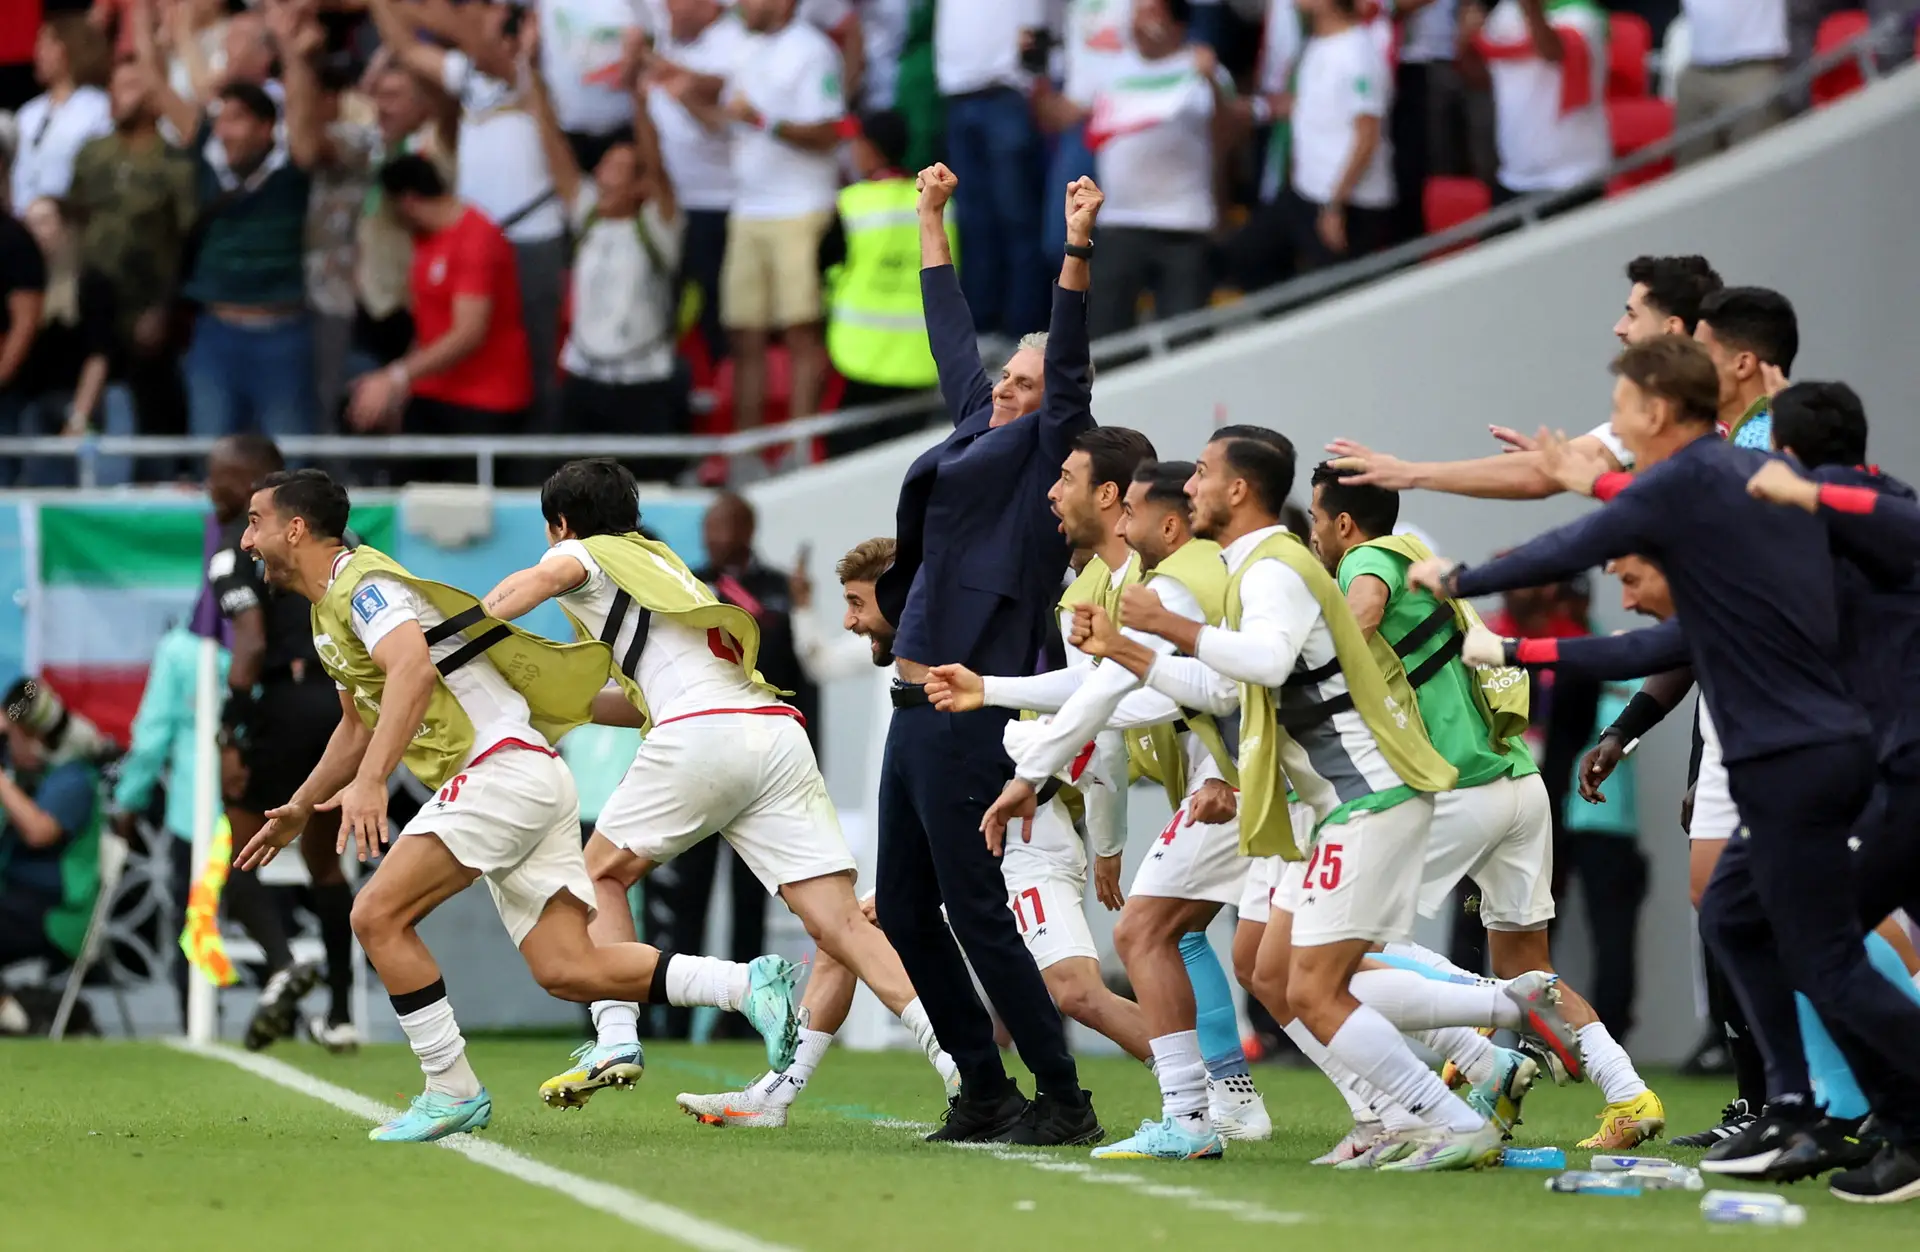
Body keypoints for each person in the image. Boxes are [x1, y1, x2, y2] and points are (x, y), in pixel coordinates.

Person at [1414, 337, 1920, 1202]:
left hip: (1816, 758)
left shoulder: (1728, 486)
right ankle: (1797, 1104)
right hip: (1808, 758)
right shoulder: (1724, 508)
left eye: (1618, 409)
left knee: (1825, 953)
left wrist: (1464, 576)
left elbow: (1590, 534)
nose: (1610, 426)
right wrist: (1521, 635)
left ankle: (1877, 1116)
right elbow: (1648, 608)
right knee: (1735, 915)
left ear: (1656, 410)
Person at [236, 467, 801, 1142]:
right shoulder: (327, 610)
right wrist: (306, 803)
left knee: (378, 914)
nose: (247, 540)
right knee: (570, 969)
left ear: (294, 528)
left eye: (254, 522)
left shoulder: (365, 586)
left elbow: (412, 672)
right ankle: (746, 986)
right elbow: (359, 720)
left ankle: (451, 1089)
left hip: (498, 771)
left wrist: (371, 783)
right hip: (527, 774)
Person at [1074, 426, 1548, 1172]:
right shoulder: (1251, 569)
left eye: (1201, 473)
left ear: (1238, 489)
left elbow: (1260, 664)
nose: (1188, 486)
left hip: (1362, 797)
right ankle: (1426, 1094)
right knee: (1283, 975)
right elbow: (1226, 687)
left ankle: (1480, 1063)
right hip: (1333, 802)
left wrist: (1168, 628)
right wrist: (1133, 650)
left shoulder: (1276, 568)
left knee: (1311, 983)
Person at [475, 459, 953, 1113]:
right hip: (771, 729)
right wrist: (546, 704)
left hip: (705, 736)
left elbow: (545, 577)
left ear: (561, 524)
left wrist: (457, 637)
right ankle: (955, 1055)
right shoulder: (662, 565)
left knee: (599, 876)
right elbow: (639, 699)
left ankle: (615, 1035)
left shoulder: (585, 554)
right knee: (841, 924)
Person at [1306, 462, 1665, 1150]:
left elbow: (1365, 610)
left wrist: (1294, 670)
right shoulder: (1418, 555)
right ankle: (1629, 1095)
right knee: (1531, 965)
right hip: (1517, 783)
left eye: (1318, 522)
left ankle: (1425, 1094)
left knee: (1330, 952)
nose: (1316, 535)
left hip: (1457, 786)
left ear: (1343, 524)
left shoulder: (1367, 559)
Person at [936, 455, 1280, 1160]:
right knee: (1232, 952)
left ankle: (1209, 1107)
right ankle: (1214, 1107)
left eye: (1063, 479)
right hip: (1244, 774)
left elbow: (1160, 693)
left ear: (1128, 503)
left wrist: (1028, 763)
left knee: (1218, 951)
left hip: (1272, 776)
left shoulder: (1186, 581)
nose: (1051, 493)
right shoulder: (1136, 581)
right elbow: (1124, 688)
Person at [872, 166, 1104, 1147]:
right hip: (909, 704)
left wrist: (1078, 246)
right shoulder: (978, 428)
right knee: (908, 911)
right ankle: (982, 1085)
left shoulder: (1047, 449)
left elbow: (1074, 366)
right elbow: (948, 332)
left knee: (973, 908)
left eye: (1023, 379)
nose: (1005, 384)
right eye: (1006, 376)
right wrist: (930, 220)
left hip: (969, 710)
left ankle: (1061, 1092)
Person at [675, 534, 964, 1127]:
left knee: (1074, 987)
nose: (851, 621)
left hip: (1007, 832)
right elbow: (822, 660)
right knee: (842, 933)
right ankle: (777, 1095)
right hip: (956, 833)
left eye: (859, 604)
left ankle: (1196, 1097)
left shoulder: (960, 659)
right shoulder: (903, 654)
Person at [928, 430, 1165, 1076]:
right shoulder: (1092, 582)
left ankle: (1212, 1092)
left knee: (1121, 965)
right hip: (1058, 795)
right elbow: (1096, 697)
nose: (1051, 495)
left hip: (1227, 777)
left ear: (1109, 494)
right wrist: (990, 694)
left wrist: (1102, 833)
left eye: (1064, 479)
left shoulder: (1154, 581)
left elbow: (1106, 711)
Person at [203, 436, 360, 1052]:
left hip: (280, 711)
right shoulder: (341, 547)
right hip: (338, 710)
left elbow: (250, 644)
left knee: (241, 858)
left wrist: (229, 732)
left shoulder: (232, 554)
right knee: (325, 866)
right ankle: (343, 1012)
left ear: (254, 481)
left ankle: (280, 965)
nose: (213, 486)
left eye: (223, 476)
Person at [1327, 254, 1724, 498]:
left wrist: (1412, 473)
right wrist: (1562, 463)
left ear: (1672, 328)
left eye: (1633, 315)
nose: (1619, 328)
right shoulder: (1662, 412)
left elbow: (1537, 478)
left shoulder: (1740, 416)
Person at [645, 491, 816, 1039]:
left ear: (747, 528)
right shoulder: (687, 585)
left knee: (751, 895)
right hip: (701, 757)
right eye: (708, 527)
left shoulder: (777, 588)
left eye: (725, 527)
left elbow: (801, 672)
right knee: (685, 893)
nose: (714, 537)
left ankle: (744, 1020)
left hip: (762, 761)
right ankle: (672, 1015)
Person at [363, 0, 567, 432]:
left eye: (490, 14)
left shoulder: (531, 75)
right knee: (461, 347)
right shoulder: (471, 75)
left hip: (529, 237)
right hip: (467, 235)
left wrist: (454, 19)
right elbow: (403, 45)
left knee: (533, 362)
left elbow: (478, 45)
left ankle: (541, 467)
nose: (477, 20)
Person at [137, 20, 316, 442]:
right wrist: (142, 14)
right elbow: (152, 78)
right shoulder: (205, 151)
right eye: (221, 120)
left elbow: (305, 114)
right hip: (215, 337)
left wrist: (290, 49)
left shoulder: (294, 169)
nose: (223, 131)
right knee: (213, 465)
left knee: (292, 472)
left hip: (282, 338)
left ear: (265, 127)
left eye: (236, 120)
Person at [526, 28, 688, 455]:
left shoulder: (657, 227)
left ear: (640, 188)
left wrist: (638, 96)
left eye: (620, 168)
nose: (605, 174)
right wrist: (532, 70)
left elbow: (657, 166)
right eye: (605, 165)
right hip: (584, 378)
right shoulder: (589, 217)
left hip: (642, 383)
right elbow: (553, 143)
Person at [720, 0, 848, 475]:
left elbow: (829, 131)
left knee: (800, 332)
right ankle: (748, 453)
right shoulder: (742, 47)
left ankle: (799, 449)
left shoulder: (812, 52)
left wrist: (763, 120)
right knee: (744, 334)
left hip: (801, 207)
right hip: (747, 208)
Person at [346, 155, 533, 456]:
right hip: (431, 394)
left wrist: (396, 377)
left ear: (405, 202)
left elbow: (468, 333)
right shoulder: (426, 241)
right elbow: (429, 326)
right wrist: (399, 387)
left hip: (482, 402)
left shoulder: (476, 239)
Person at [65, 55, 196, 475]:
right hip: (94, 301)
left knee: (150, 412)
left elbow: (187, 242)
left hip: (148, 309)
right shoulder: (92, 154)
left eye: (130, 87)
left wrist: (164, 309)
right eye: (114, 86)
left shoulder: (175, 164)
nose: (117, 97)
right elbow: (76, 216)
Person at [1085, 0, 1233, 337]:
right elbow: (1061, 116)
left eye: (1152, 14)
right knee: (1106, 343)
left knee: (1187, 344)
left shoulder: (1205, 71)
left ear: (1177, 24)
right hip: (1119, 223)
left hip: (1184, 225)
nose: (1140, 23)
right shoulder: (1111, 69)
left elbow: (1228, 136)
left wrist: (1210, 80)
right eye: (1136, 14)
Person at [110, 623, 232, 1031]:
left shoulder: (180, 649)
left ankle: (196, 1013)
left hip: (198, 817)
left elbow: (151, 738)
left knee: (196, 914)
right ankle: (290, 1006)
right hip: (262, 812)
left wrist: (129, 801)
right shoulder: (277, 635)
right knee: (264, 911)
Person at [821, 108, 949, 456]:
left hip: (861, 359)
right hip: (924, 360)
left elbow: (823, 266)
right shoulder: (941, 204)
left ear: (871, 149)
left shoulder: (852, 204)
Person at [933, 0, 1047, 340]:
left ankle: (1023, 329)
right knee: (973, 222)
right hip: (957, 97)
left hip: (1005, 93)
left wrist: (1035, 72)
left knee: (1016, 218)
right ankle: (982, 324)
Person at [13, 196, 135, 488]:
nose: (33, 230)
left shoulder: (92, 283)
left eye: (43, 221)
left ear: (66, 228)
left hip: (98, 401)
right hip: (41, 405)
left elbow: (98, 355)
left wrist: (79, 417)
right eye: (28, 222)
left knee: (104, 491)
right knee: (43, 491)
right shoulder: (21, 285)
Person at [1456, 0, 1609, 210]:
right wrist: (1464, 43)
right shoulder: (1503, 15)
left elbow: (1552, 51)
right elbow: (1483, 79)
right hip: (1514, 177)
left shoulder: (1583, 14)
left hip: (1575, 176)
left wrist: (1531, 9)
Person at [0, 690, 105, 976]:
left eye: (10, 737)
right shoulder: (25, 778)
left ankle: (8, 1013)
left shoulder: (73, 778)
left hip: (54, 913)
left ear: (33, 736)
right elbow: (27, 691)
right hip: (15, 898)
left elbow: (38, 831)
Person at [1285, 0, 1395, 273]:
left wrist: (1335, 207)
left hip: (1349, 205)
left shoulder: (1358, 53)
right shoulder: (1317, 43)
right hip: (1307, 191)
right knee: (1246, 254)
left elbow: (1367, 136)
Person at [10, 15, 113, 213]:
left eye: (47, 44)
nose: (38, 53)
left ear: (72, 48)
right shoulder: (28, 113)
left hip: (74, 219)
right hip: (23, 222)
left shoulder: (99, 107)